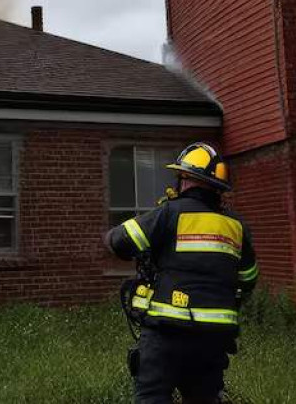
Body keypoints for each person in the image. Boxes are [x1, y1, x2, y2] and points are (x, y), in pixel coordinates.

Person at [104, 142, 259, 404]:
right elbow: (249, 278)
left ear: (187, 179)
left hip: (168, 334)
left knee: (152, 396)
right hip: (214, 340)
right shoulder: (237, 227)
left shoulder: (170, 212)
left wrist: (107, 237)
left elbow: (121, 241)